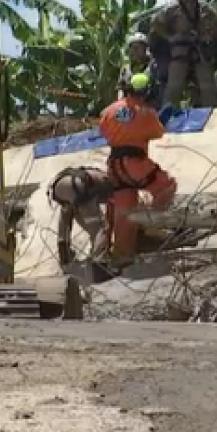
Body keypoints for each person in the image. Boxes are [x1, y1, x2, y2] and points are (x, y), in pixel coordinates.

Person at [98, 72, 178, 268]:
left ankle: (123, 255)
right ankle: (151, 225)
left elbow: (104, 132)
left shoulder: (108, 111)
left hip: (115, 166)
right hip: (135, 163)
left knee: (125, 211)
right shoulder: (146, 112)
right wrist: (160, 120)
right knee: (166, 187)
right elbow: (157, 133)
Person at [149, 0, 217, 108]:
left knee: (207, 85)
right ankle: (168, 113)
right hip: (180, 48)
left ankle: (211, 112)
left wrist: (208, 35)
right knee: (175, 85)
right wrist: (170, 37)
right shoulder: (172, 8)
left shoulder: (203, 6)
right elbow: (155, 22)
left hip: (200, 48)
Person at [47, 166, 114, 273]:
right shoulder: (113, 183)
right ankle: (100, 267)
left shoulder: (96, 173)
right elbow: (113, 213)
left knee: (65, 222)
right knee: (99, 228)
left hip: (59, 186)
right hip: (80, 186)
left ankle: (65, 256)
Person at [117, 33, 162, 108]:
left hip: (151, 107)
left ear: (145, 49)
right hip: (131, 108)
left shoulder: (154, 66)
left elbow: (160, 89)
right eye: (133, 48)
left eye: (138, 48)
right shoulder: (126, 69)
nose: (135, 51)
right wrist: (120, 104)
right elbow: (121, 89)